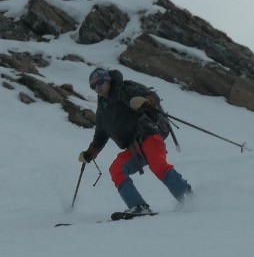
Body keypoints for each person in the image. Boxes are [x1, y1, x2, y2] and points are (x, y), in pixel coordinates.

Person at [79, 67, 193, 214]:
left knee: (157, 164)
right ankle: (138, 207)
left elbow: (152, 96)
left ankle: (188, 198)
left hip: (149, 135)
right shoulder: (102, 110)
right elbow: (100, 136)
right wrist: (90, 153)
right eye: (93, 85)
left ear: (108, 80)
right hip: (134, 146)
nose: (97, 87)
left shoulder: (123, 90)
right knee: (116, 169)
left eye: (100, 82)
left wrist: (146, 101)